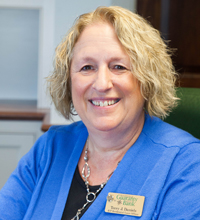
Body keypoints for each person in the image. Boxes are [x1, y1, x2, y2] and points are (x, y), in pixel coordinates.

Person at [0, 6, 200, 220]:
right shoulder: (49, 149)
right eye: (87, 67)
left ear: (147, 79)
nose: (102, 84)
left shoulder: (186, 164)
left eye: (118, 67)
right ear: (68, 81)